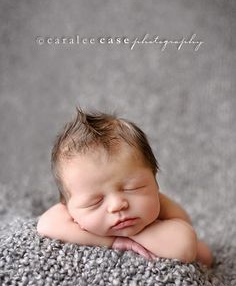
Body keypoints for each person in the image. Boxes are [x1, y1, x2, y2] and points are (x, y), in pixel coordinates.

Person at [37, 108, 213, 267]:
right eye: (95, 201)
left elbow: (183, 248)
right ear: (68, 207)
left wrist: (132, 234)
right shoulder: (66, 211)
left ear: (155, 181)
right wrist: (114, 241)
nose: (117, 205)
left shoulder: (165, 211)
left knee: (204, 254)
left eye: (133, 188)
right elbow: (46, 224)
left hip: (172, 234)